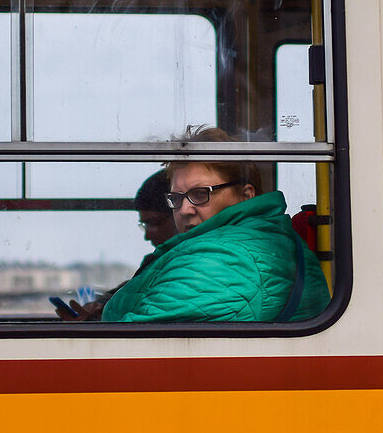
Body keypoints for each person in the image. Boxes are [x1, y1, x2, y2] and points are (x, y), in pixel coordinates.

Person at [101, 125, 330, 323]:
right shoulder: (246, 244)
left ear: (246, 196)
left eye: (200, 193)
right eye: (176, 198)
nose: (184, 210)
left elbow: (132, 346)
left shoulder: (228, 259)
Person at [57, 170, 177, 321]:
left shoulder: (179, 265)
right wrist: (101, 306)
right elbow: (135, 288)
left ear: (181, 216)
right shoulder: (159, 263)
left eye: (154, 223)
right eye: (144, 225)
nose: (147, 235)